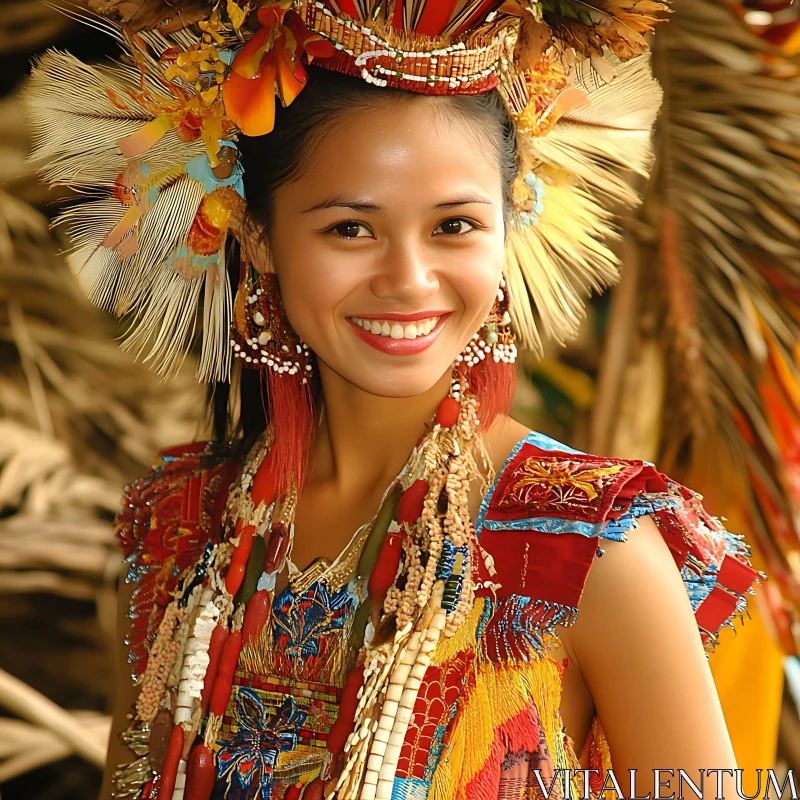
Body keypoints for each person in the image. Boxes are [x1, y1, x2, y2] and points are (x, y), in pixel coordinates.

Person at [24, 2, 764, 798]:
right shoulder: (182, 533)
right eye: (351, 229)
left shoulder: (591, 549)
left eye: (454, 225)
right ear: (258, 238)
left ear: (509, 228)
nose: (409, 279)